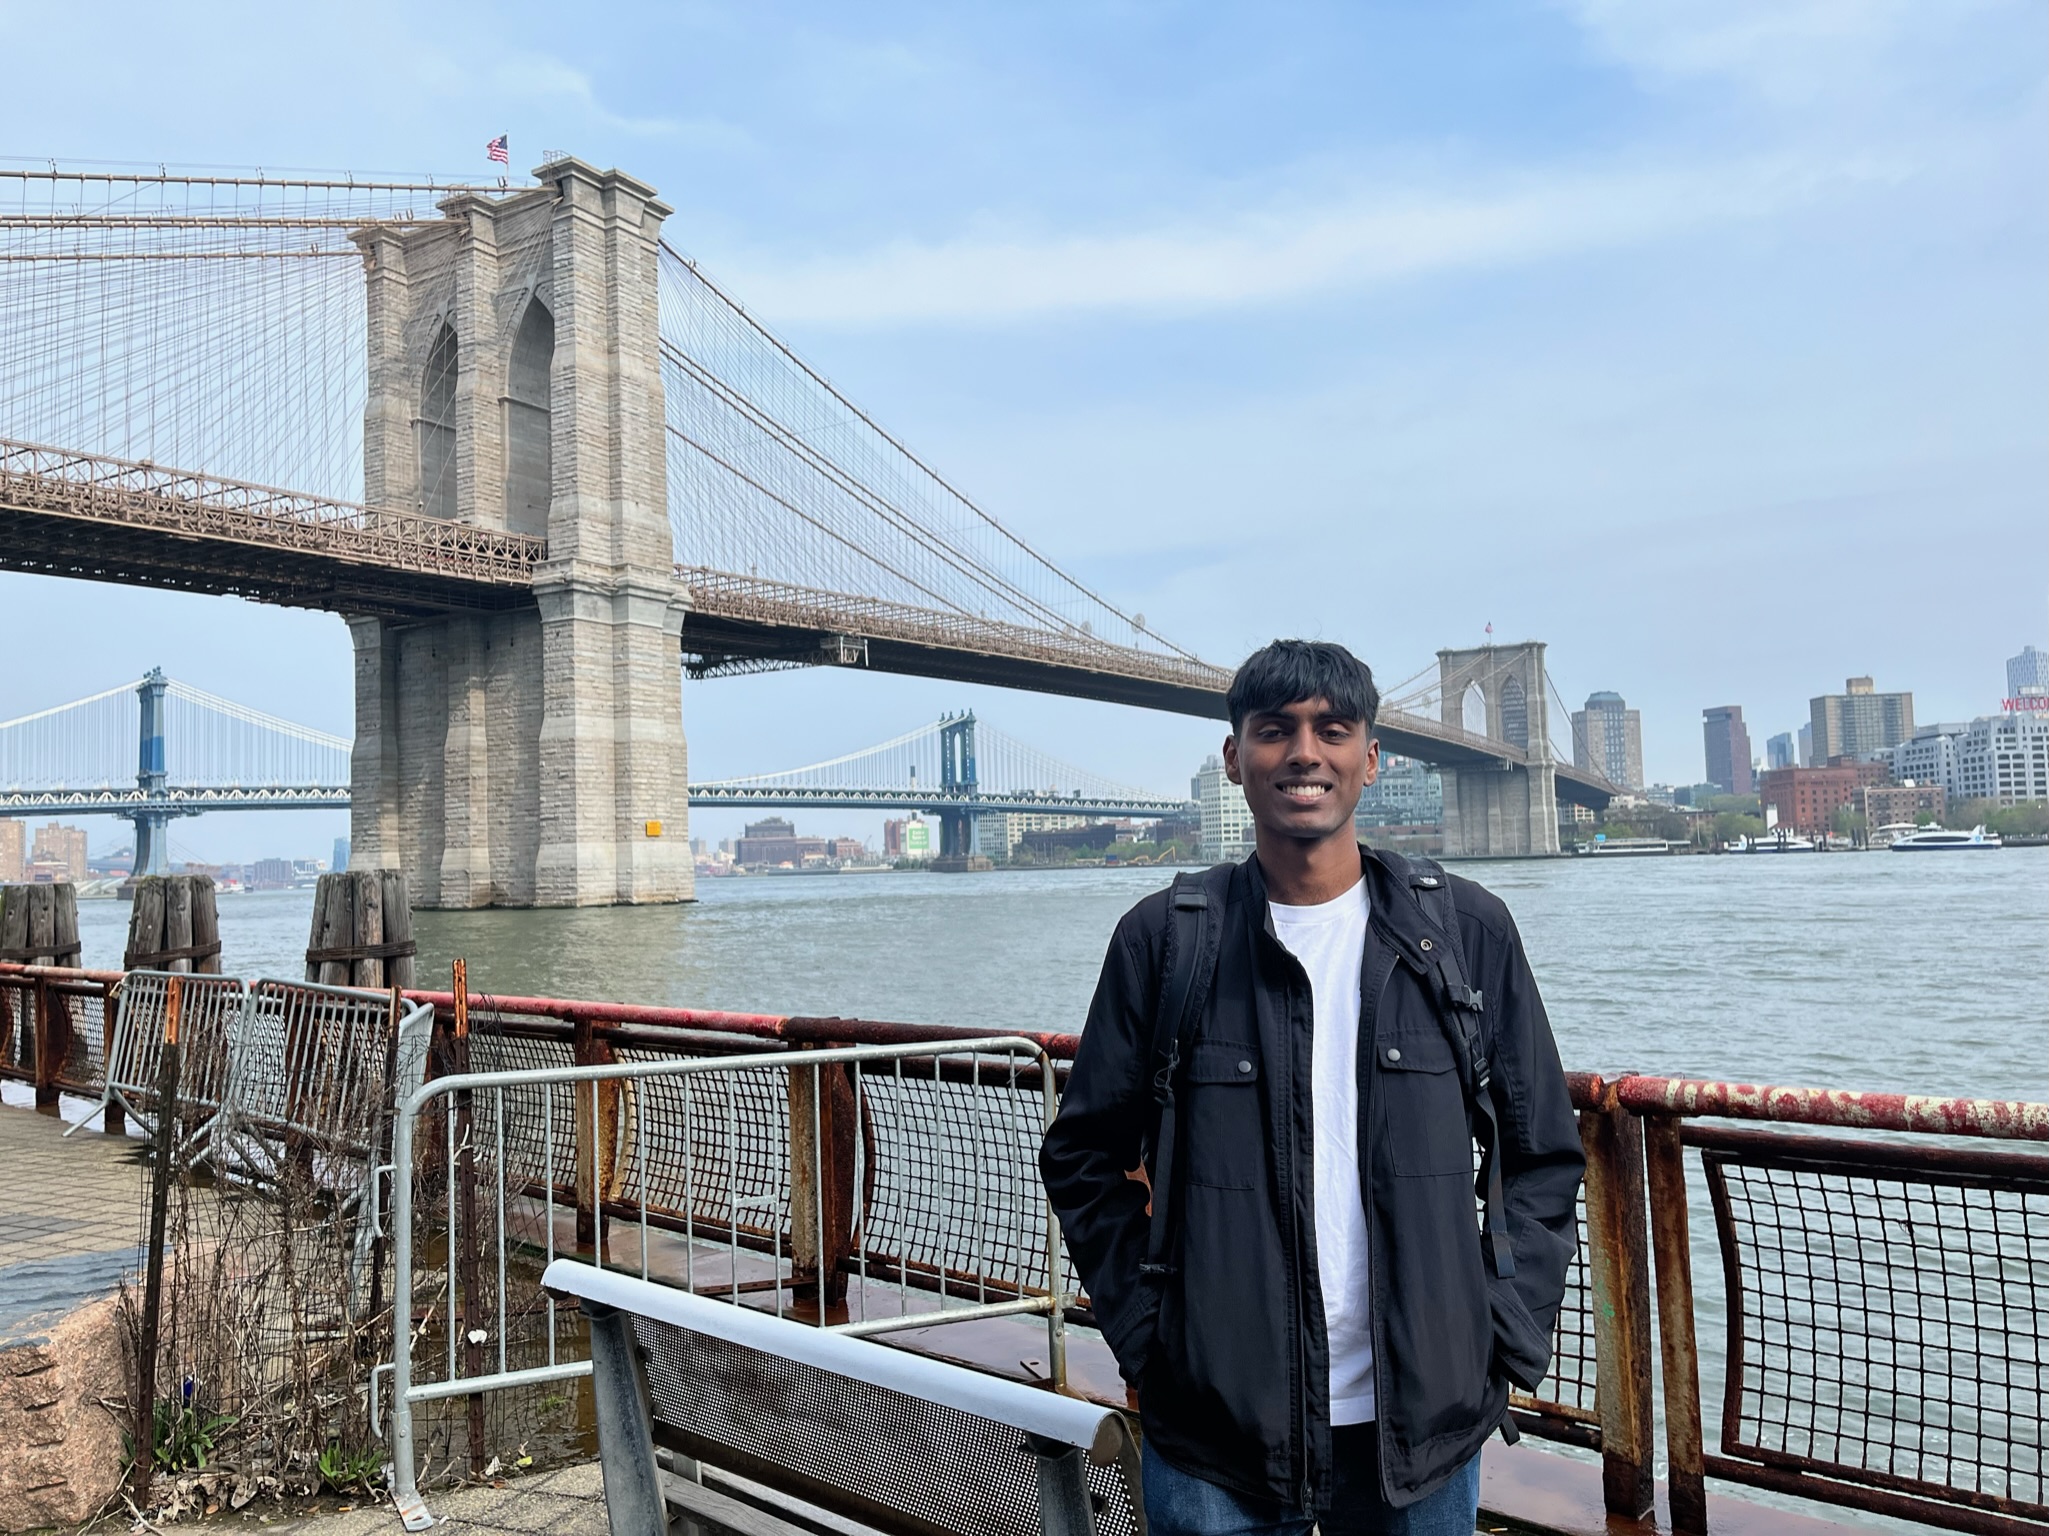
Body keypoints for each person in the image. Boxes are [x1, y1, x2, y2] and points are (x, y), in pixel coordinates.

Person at [1040, 639, 1584, 1536]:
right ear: (1232, 758)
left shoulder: (1465, 932)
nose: (1304, 753)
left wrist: (1500, 1331)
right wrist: (1149, 1337)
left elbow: (1542, 1154)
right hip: (1218, 1427)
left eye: (1332, 730)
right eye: (1273, 730)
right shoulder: (1165, 942)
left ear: (1371, 759)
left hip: (1423, 1428)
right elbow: (1084, 1158)